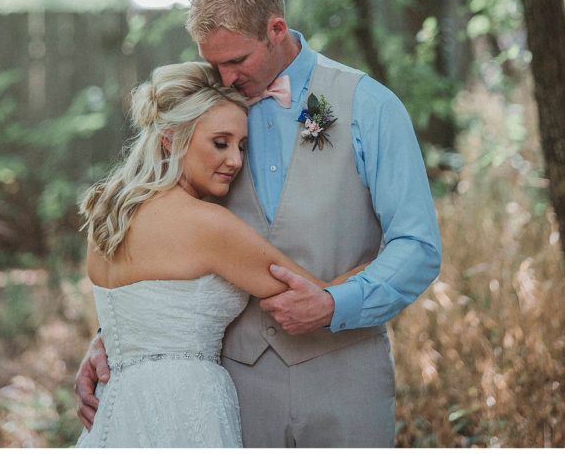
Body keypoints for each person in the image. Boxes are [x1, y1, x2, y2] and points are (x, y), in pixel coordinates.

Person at [76, 0, 442, 447]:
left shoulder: (368, 106)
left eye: (236, 61)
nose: (224, 78)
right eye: (214, 62)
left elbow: (417, 246)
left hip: (345, 374)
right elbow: (160, 238)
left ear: (275, 29)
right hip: (232, 386)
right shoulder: (207, 112)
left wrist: (338, 302)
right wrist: (121, 339)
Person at [75, 60, 370, 448]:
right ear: (170, 137)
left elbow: (135, 316)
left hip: (115, 409)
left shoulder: (106, 218)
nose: (235, 160)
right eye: (220, 142)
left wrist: (101, 343)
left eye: (242, 146)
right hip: (185, 409)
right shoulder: (206, 225)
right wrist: (386, 266)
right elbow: (311, 296)